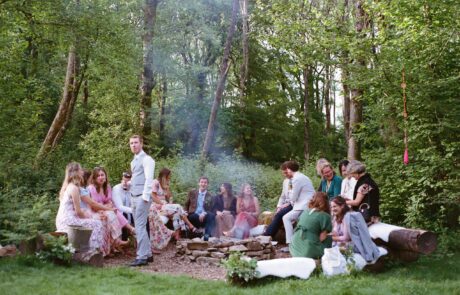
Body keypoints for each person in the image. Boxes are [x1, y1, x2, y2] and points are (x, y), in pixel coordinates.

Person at [264, 161, 315, 252]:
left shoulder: (296, 179)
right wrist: (282, 205)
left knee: (286, 218)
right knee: (286, 217)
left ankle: (290, 245)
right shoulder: (298, 177)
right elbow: (286, 196)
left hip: (305, 205)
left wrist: (288, 202)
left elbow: (293, 197)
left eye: (285, 172)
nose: (285, 174)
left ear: (288, 170)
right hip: (299, 205)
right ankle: (290, 244)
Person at [55, 162, 105, 252]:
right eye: (80, 169)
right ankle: (92, 251)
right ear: (76, 172)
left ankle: (89, 249)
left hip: (63, 219)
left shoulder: (68, 186)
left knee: (93, 222)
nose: (82, 171)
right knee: (97, 224)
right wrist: (91, 216)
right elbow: (79, 212)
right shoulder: (74, 188)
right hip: (68, 221)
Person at [88, 167, 135, 243]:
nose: (100, 177)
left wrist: (107, 206)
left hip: (105, 209)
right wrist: (105, 208)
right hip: (94, 211)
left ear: (105, 176)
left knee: (114, 211)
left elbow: (109, 202)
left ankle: (127, 232)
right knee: (111, 213)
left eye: (102, 175)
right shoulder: (91, 188)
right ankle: (118, 240)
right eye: (98, 176)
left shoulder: (107, 187)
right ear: (94, 178)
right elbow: (93, 205)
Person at [149, 168, 190, 252]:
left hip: (165, 206)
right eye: (169, 176)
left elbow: (169, 197)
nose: (169, 177)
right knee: (178, 207)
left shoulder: (165, 184)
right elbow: (153, 196)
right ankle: (189, 225)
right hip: (156, 205)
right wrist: (162, 203)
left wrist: (169, 200)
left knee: (176, 213)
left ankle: (177, 235)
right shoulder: (155, 182)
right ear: (165, 175)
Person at [129, 134, 155, 267]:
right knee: (141, 226)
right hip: (134, 196)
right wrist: (129, 185)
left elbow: (149, 179)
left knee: (139, 226)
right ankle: (148, 254)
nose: (133, 145)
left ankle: (142, 257)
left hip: (142, 197)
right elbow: (136, 178)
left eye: (136, 142)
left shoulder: (147, 159)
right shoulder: (134, 161)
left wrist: (145, 197)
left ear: (141, 143)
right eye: (131, 143)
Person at [289, 192, 332, 259]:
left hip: (294, 246)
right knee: (329, 239)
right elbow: (322, 238)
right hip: (308, 250)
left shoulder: (305, 211)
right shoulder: (325, 216)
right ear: (326, 203)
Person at [346, 160, 381, 225]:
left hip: (368, 218)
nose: (353, 177)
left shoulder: (364, 184)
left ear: (356, 172)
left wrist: (342, 202)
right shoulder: (369, 180)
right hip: (373, 215)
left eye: (353, 174)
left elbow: (357, 202)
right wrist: (349, 200)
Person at [112, 171, 135, 241]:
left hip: (131, 211)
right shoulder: (117, 189)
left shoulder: (133, 189)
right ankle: (124, 241)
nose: (125, 183)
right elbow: (119, 207)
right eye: (124, 180)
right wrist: (133, 210)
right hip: (119, 212)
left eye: (128, 181)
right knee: (124, 215)